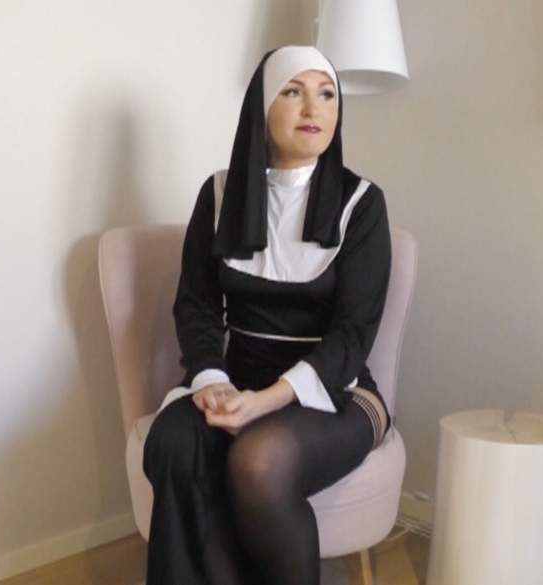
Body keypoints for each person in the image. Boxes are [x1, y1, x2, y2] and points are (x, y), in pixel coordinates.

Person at [142, 45, 393, 585]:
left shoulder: (362, 203)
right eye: (293, 91)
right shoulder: (219, 194)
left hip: (336, 393)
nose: (314, 108)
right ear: (261, 107)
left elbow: (353, 336)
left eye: (327, 94)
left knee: (259, 459)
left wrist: (268, 400)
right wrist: (211, 380)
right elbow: (197, 303)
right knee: (174, 442)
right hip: (235, 379)